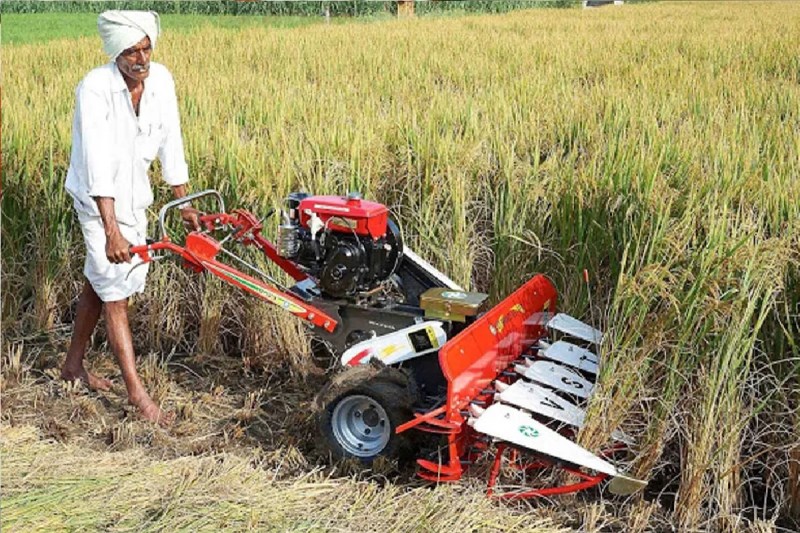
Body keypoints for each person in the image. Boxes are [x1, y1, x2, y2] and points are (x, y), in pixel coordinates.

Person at [62, 10, 200, 425]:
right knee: (115, 294)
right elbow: (96, 163)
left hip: (135, 198)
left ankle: (72, 366)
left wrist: (185, 202)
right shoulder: (95, 88)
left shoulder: (162, 82)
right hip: (96, 202)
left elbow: (172, 142)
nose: (141, 59)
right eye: (131, 52)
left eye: (146, 49)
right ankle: (138, 396)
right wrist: (110, 231)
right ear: (115, 53)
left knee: (102, 280)